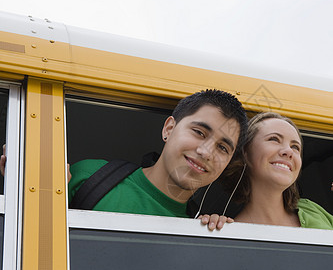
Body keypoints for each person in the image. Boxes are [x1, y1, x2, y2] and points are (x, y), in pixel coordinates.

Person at [2, 89, 248, 230]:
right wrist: (22, 186)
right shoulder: (91, 177)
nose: (206, 152)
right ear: (169, 129)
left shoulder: (200, 229)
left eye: (223, 148)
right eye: (199, 132)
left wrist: (220, 237)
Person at [223, 112, 333, 233]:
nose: (288, 152)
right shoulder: (229, 231)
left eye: (295, 147)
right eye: (274, 139)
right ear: (245, 152)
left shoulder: (314, 212)